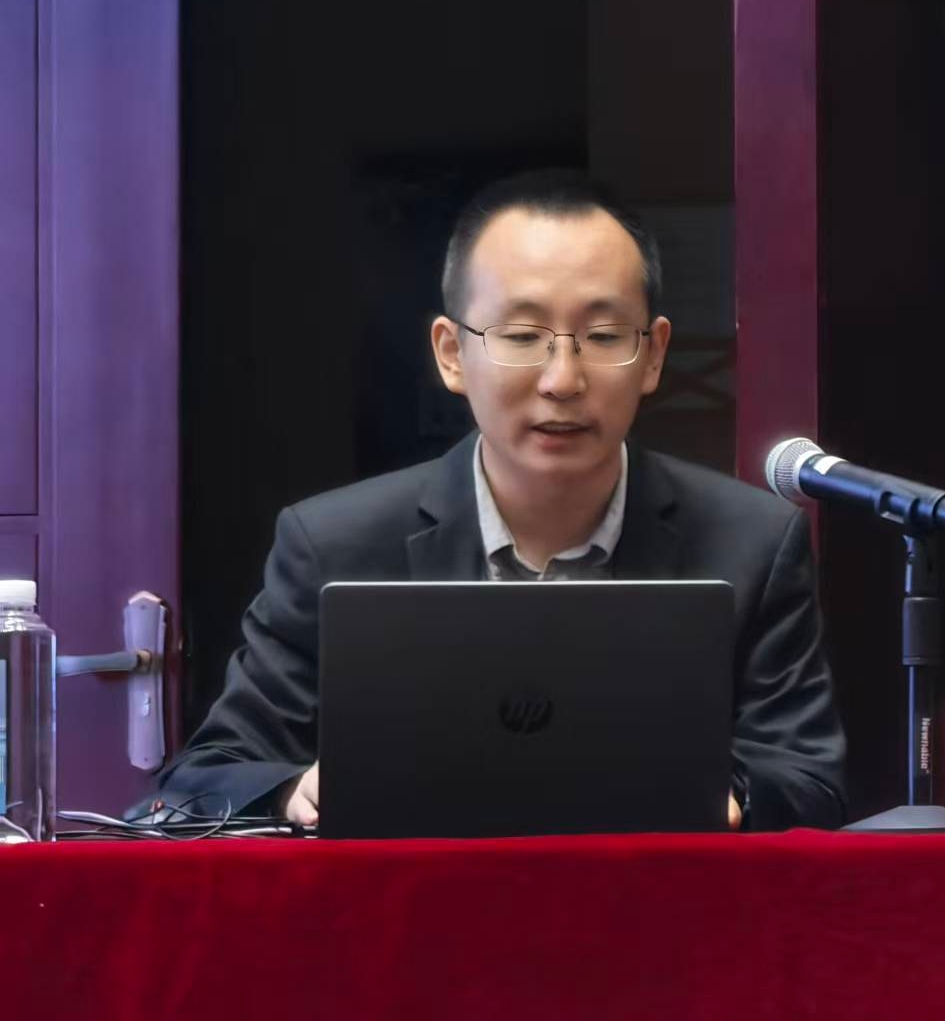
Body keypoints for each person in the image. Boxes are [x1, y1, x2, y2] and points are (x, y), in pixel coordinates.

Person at [155, 170, 846, 830]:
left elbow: (810, 779)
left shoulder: (751, 541)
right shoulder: (333, 544)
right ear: (451, 353)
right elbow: (205, 777)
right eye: (521, 337)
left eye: (604, 337)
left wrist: (731, 794)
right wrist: (293, 791)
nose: (563, 379)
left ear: (655, 354)